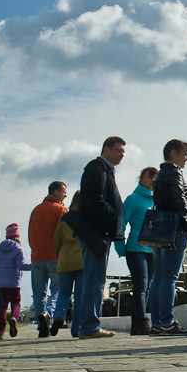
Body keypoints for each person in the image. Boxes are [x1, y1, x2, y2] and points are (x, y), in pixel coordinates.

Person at [75, 136, 125, 339]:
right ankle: (89, 326)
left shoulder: (105, 170)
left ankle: (87, 325)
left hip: (100, 233)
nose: (122, 154)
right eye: (118, 150)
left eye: (123, 151)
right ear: (106, 149)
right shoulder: (96, 168)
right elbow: (94, 199)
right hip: (95, 233)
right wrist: (112, 215)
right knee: (94, 281)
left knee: (93, 280)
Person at [148, 139, 187, 336]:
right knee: (170, 276)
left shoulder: (160, 175)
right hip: (174, 226)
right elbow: (179, 197)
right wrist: (186, 220)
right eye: (184, 154)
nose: (186, 159)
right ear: (173, 152)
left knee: (158, 276)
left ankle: (157, 322)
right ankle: (167, 322)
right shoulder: (174, 172)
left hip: (160, 227)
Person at [114, 167, 158, 336]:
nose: (153, 180)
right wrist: (120, 247)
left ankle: (138, 326)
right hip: (135, 248)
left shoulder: (157, 201)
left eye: (155, 178)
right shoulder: (132, 199)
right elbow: (122, 222)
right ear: (141, 179)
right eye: (149, 177)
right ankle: (142, 322)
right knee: (141, 285)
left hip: (153, 249)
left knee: (147, 287)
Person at [28, 181, 68, 337]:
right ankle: (49, 314)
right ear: (56, 192)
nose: (65, 195)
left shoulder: (36, 210)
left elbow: (30, 233)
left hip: (37, 256)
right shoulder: (61, 210)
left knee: (38, 294)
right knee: (58, 289)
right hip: (55, 256)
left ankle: (41, 325)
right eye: (64, 192)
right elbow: (65, 234)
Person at [0, 223, 32, 340]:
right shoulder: (18, 249)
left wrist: (1, 275)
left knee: (2, 307)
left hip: (1, 284)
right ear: (17, 236)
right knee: (16, 303)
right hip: (14, 283)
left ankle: (0, 332)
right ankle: (14, 317)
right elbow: (21, 265)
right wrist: (35, 266)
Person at [54, 191, 84, 338]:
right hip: (82, 258)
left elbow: (56, 240)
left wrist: (60, 254)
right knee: (79, 295)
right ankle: (76, 329)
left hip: (65, 258)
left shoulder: (64, 218)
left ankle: (59, 315)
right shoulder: (85, 217)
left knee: (64, 292)